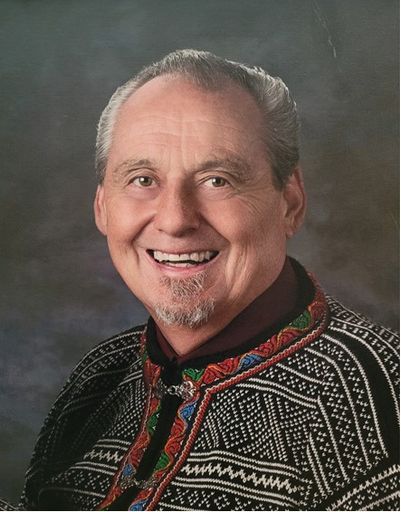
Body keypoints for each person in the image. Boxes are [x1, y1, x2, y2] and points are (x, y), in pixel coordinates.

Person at [7, 49, 400, 511]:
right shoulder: (98, 377)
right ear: (102, 207)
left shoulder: (377, 400)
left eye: (218, 180)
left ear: (290, 203)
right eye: (142, 179)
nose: (175, 220)